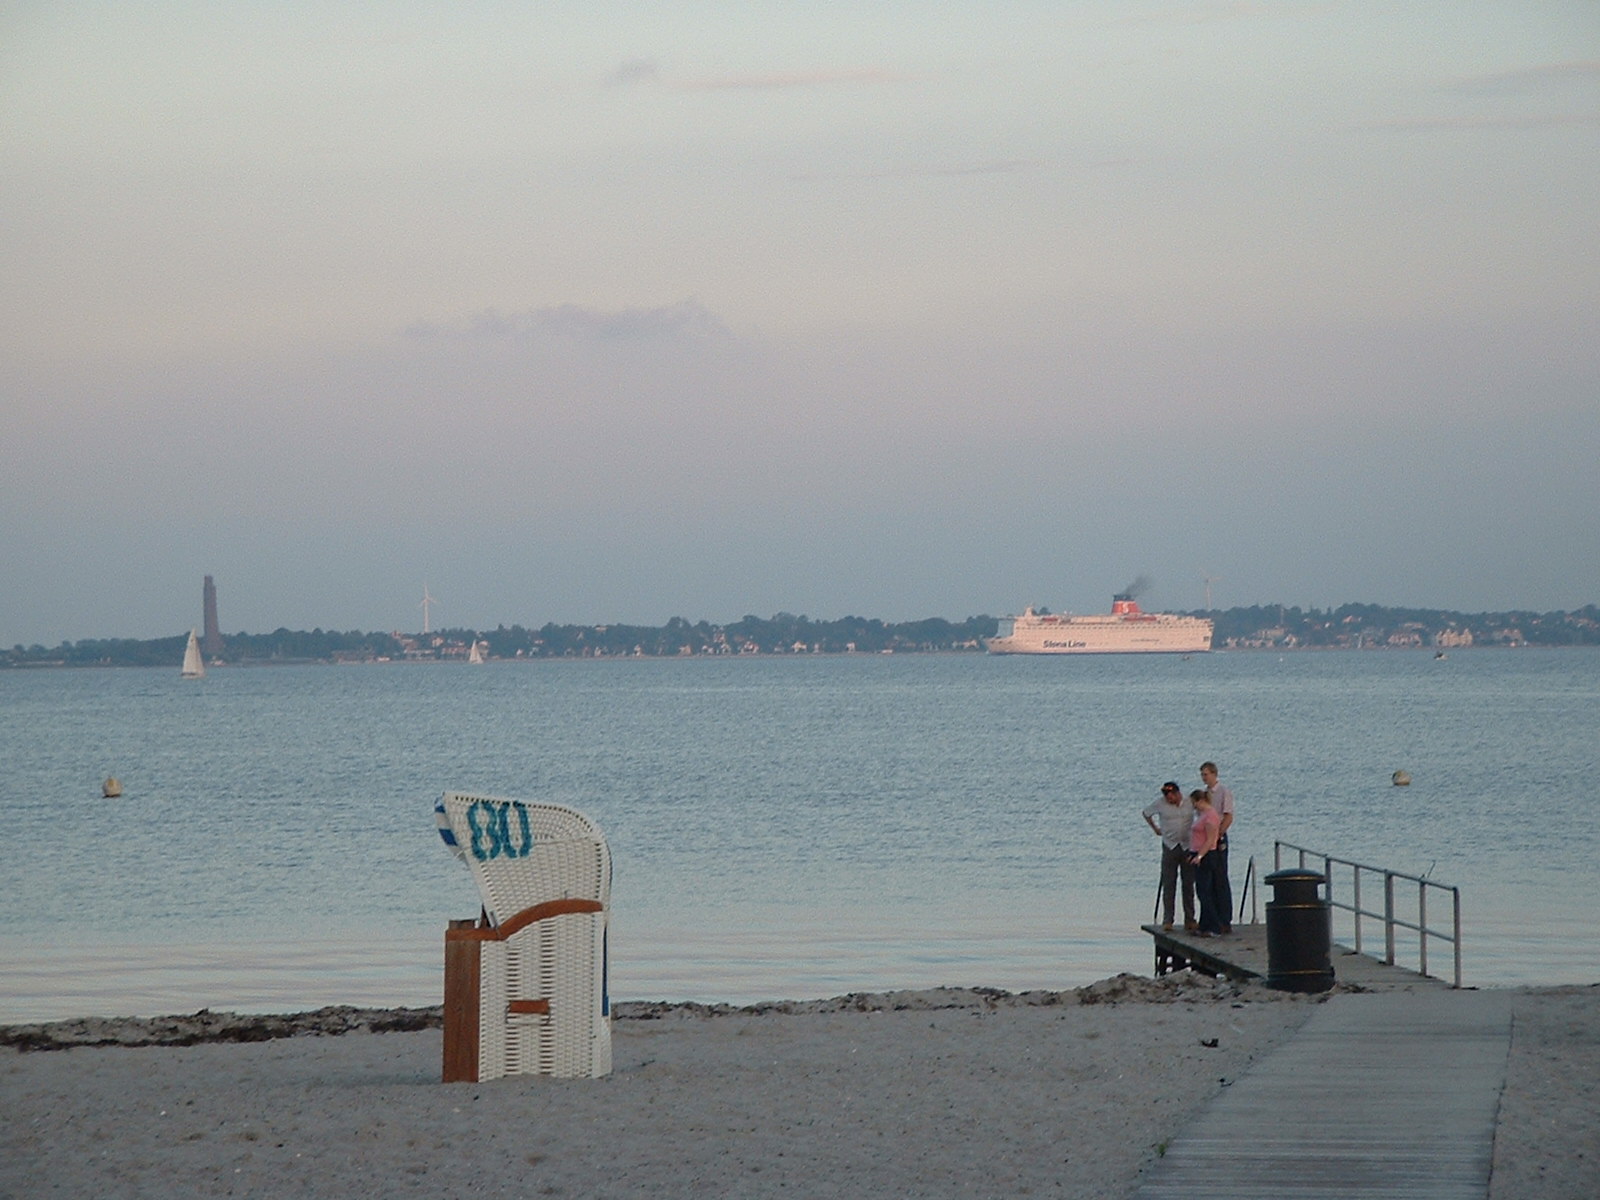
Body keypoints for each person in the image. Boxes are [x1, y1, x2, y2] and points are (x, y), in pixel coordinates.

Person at [1141, 782, 1195, 932]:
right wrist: (1156, 829)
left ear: (1178, 793)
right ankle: (1168, 920)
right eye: (1166, 796)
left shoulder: (1189, 802)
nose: (1169, 799)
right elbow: (1146, 813)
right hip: (1169, 846)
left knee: (1189, 884)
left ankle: (1190, 919)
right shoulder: (1160, 803)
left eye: (1171, 796)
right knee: (1169, 883)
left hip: (1187, 846)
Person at [1200, 761, 1235, 934]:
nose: (1203, 777)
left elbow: (1228, 816)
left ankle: (1225, 919)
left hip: (1218, 837)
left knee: (1221, 878)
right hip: (1205, 840)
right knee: (1209, 881)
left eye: (1206, 774)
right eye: (1202, 774)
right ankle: (1210, 919)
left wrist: (1220, 834)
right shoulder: (1204, 794)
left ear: (1214, 774)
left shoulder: (1223, 792)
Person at [1186, 788, 1225, 936]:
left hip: (1207, 855)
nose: (1194, 806)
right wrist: (1192, 854)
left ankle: (1214, 926)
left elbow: (1210, 839)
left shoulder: (1211, 816)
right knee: (1202, 891)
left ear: (1200, 801)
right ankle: (1204, 925)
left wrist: (1200, 856)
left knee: (1205, 892)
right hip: (1197, 853)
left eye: (1194, 803)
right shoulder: (1203, 815)